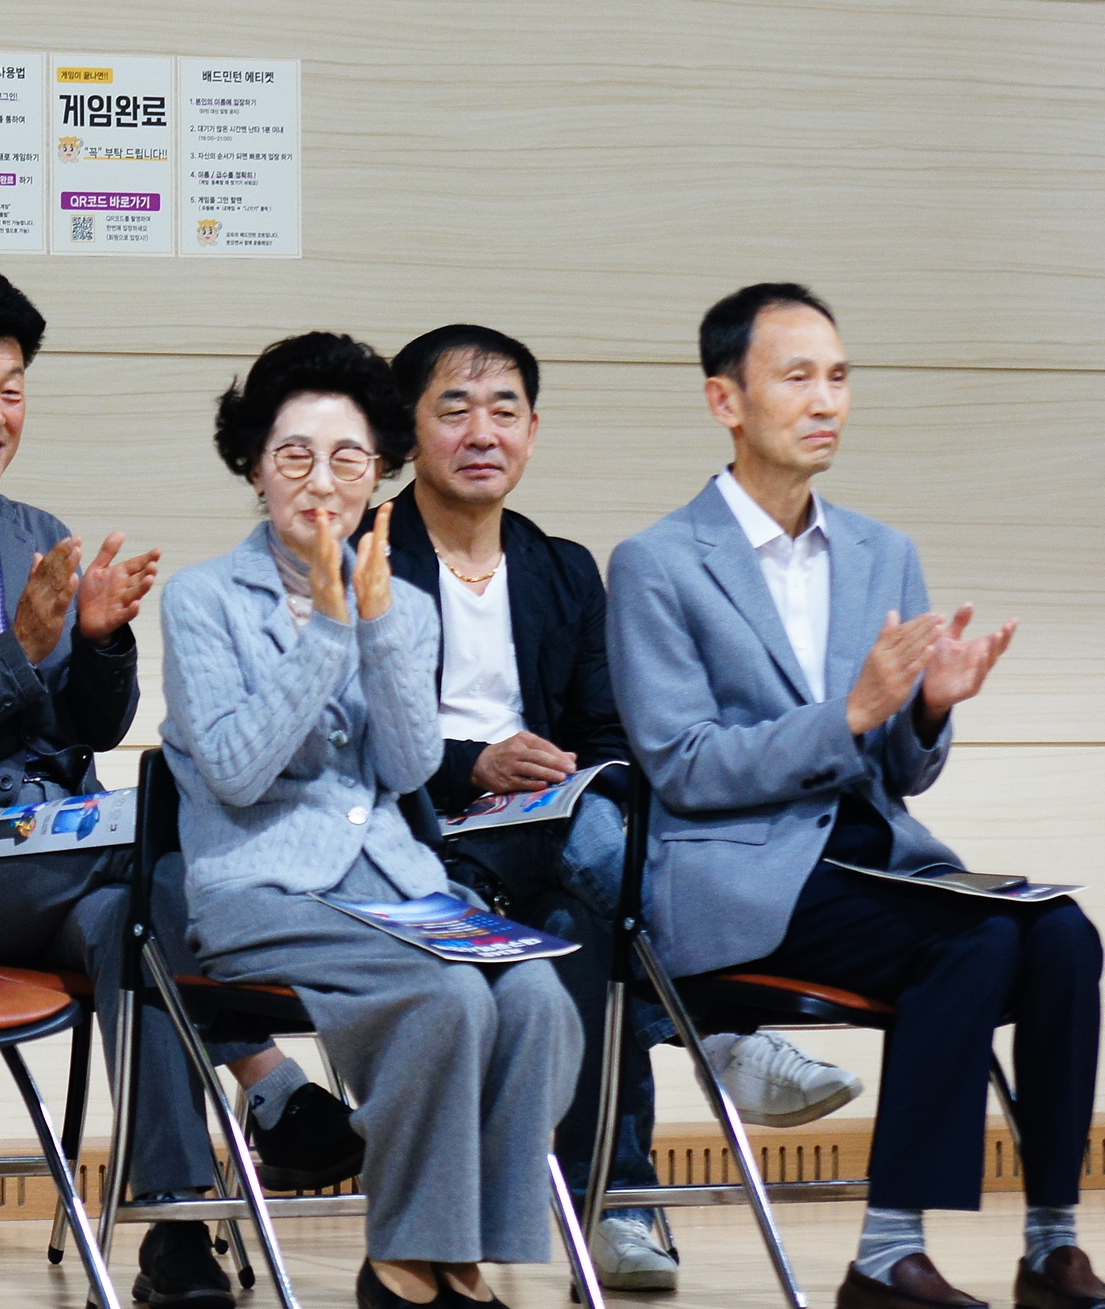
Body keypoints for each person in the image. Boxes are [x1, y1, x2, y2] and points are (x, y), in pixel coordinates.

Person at [0, 261, 360, 1309]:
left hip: (62, 852)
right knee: (167, 848)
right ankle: (272, 1082)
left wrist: (103, 643)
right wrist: (19, 653)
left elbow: (89, 728)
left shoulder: (36, 532)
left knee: (135, 917)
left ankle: (174, 1230)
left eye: (13, 388)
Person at [610, 283, 1098, 1309]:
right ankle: (887, 1252)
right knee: (974, 941)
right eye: (797, 377)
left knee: (1063, 935)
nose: (827, 399)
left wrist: (927, 710)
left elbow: (903, 774)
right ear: (726, 400)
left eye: (839, 376)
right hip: (738, 881)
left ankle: (1052, 1239)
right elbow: (683, 765)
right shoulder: (657, 563)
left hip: (875, 863)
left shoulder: (884, 550)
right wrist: (852, 713)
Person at [384, 324, 860, 1292]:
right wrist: (476, 766)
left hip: (553, 839)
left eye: (506, 410)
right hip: (419, 842)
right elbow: (349, 739)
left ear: (533, 430)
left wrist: (562, 777)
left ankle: (614, 1203)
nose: (483, 432)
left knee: (583, 915)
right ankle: (712, 1031)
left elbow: (611, 732)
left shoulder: (561, 567)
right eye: (454, 409)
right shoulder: (362, 560)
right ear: (407, 431)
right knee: (595, 851)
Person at [161, 331, 578, 1309]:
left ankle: (461, 1253)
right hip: (262, 886)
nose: (322, 481)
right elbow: (236, 771)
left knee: (538, 1000)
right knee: (448, 999)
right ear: (253, 466)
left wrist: (381, 624)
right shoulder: (203, 598)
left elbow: (408, 768)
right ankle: (404, 1262)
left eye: (349, 459)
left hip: (395, 887)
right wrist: (330, 631)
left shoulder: (404, 602)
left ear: (379, 472)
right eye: (294, 455)